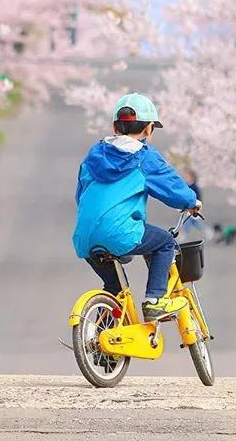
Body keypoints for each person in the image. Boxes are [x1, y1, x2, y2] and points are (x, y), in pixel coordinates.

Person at [72, 92, 202, 322]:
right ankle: (154, 300)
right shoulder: (144, 157)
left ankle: (104, 348)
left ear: (115, 126)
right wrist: (191, 202)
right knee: (164, 242)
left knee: (113, 287)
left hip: (85, 236)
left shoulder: (94, 155)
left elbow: (81, 194)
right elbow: (172, 188)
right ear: (148, 129)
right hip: (119, 232)